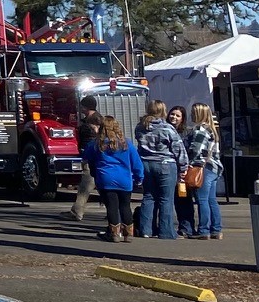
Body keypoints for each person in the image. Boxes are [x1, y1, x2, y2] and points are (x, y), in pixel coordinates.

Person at [133, 100, 189, 240]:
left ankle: (146, 229)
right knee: (166, 198)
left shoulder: (140, 127)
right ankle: (166, 231)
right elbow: (178, 148)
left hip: (146, 163)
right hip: (165, 163)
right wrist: (184, 166)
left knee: (148, 196)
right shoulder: (167, 128)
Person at [80, 112, 140, 242]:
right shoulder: (127, 144)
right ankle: (128, 233)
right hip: (125, 180)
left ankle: (113, 233)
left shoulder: (96, 144)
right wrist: (139, 178)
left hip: (105, 179)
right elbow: (136, 163)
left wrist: (94, 171)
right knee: (125, 206)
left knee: (112, 206)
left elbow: (85, 158)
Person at [186, 102, 223, 240]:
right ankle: (216, 229)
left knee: (202, 200)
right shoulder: (212, 130)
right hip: (214, 167)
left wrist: (189, 164)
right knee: (211, 200)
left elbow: (196, 150)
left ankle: (203, 230)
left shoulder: (199, 130)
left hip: (202, 167)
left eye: (193, 112)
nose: (191, 114)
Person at [70, 93, 102, 222]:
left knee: (86, 184)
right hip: (87, 154)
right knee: (98, 184)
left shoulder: (97, 120)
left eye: (82, 106)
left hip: (93, 155)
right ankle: (113, 210)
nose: (81, 108)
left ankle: (77, 211)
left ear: (87, 107)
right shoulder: (88, 119)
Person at [167, 104, 196, 236]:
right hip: (169, 171)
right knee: (171, 200)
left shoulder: (187, 132)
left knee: (183, 200)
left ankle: (187, 227)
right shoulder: (164, 130)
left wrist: (185, 167)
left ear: (182, 118)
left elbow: (190, 151)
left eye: (178, 115)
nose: (174, 117)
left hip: (182, 173)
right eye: (172, 114)